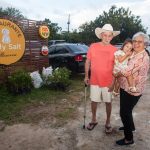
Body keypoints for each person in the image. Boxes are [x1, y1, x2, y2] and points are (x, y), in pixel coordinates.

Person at [84, 24, 120, 133]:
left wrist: (113, 83)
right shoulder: (93, 46)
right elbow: (88, 62)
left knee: (108, 102)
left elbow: (116, 68)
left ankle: (108, 122)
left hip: (108, 82)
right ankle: (94, 120)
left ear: (112, 37)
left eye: (109, 36)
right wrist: (86, 76)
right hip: (94, 80)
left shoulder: (115, 50)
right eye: (105, 35)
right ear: (101, 35)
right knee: (93, 101)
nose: (107, 38)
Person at [115, 32, 150, 146]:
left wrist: (116, 73)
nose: (136, 44)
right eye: (134, 41)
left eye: (140, 42)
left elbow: (126, 71)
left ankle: (129, 139)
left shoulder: (141, 57)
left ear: (145, 44)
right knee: (127, 110)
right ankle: (131, 127)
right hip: (125, 87)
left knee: (124, 112)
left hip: (132, 90)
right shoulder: (135, 52)